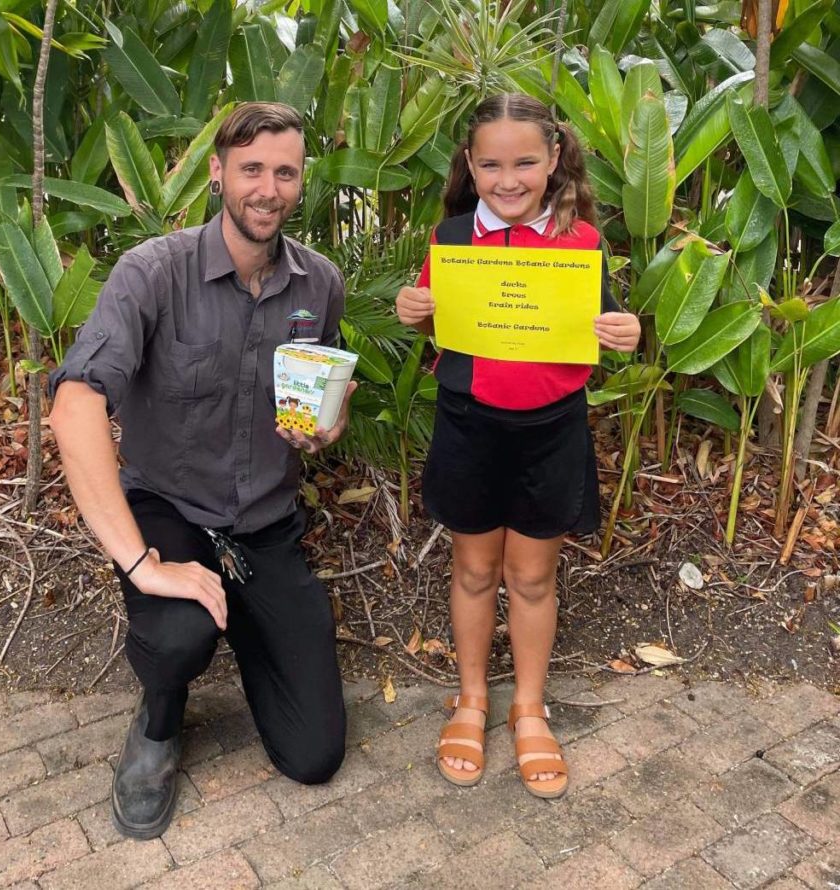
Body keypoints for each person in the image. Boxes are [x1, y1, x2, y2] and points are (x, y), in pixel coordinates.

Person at [49, 102, 355, 839]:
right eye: (251, 169)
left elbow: (327, 389)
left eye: (285, 172)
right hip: (171, 508)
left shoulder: (320, 283)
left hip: (265, 523)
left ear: (300, 182)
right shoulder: (153, 273)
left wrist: (328, 424)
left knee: (313, 754)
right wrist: (142, 562)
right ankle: (159, 719)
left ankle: (242, 624)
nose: (268, 188)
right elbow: (73, 405)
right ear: (218, 173)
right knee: (179, 635)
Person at [395, 93, 640, 798]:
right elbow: (434, 321)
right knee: (474, 571)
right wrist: (415, 312)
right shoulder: (449, 239)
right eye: (492, 164)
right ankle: (472, 698)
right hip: (469, 423)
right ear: (470, 167)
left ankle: (528, 706)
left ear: (554, 159)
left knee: (532, 577)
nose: (509, 179)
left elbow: (602, 322)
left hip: (551, 429)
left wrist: (623, 331)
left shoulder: (581, 241)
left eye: (525, 162)